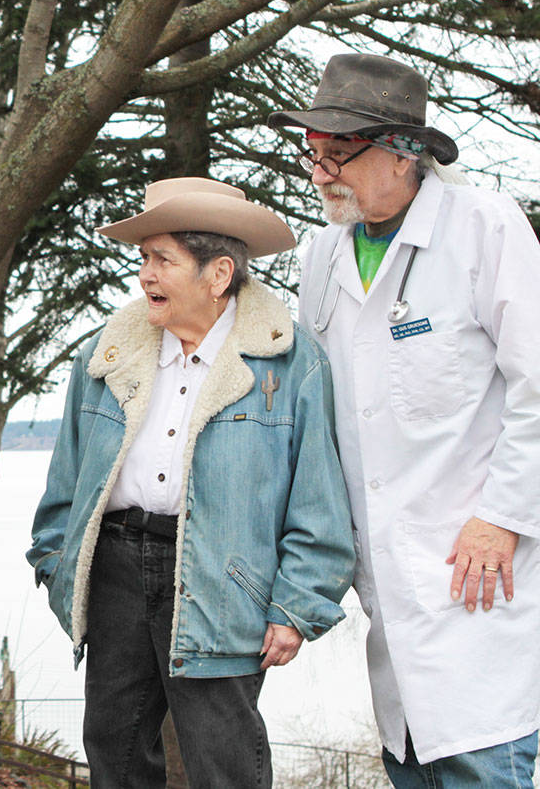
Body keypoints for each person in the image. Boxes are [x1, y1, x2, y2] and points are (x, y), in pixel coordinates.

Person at [27, 177, 355, 788]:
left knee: (223, 763)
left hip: (223, 579)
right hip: (116, 573)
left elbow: (320, 502)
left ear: (219, 274)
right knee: (114, 757)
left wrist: (297, 605)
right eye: (143, 259)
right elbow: (65, 484)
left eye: (162, 260)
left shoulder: (291, 363)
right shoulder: (106, 353)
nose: (145, 275)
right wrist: (58, 565)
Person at [271, 53, 540, 786]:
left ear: (404, 152)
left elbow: (537, 382)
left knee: (486, 762)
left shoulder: (483, 225)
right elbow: (318, 414)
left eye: (339, 153)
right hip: (384, 593)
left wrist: (503, 517)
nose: (321, 172)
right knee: (408, 761)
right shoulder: (323, 256)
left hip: (480, 578)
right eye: (312, 154)